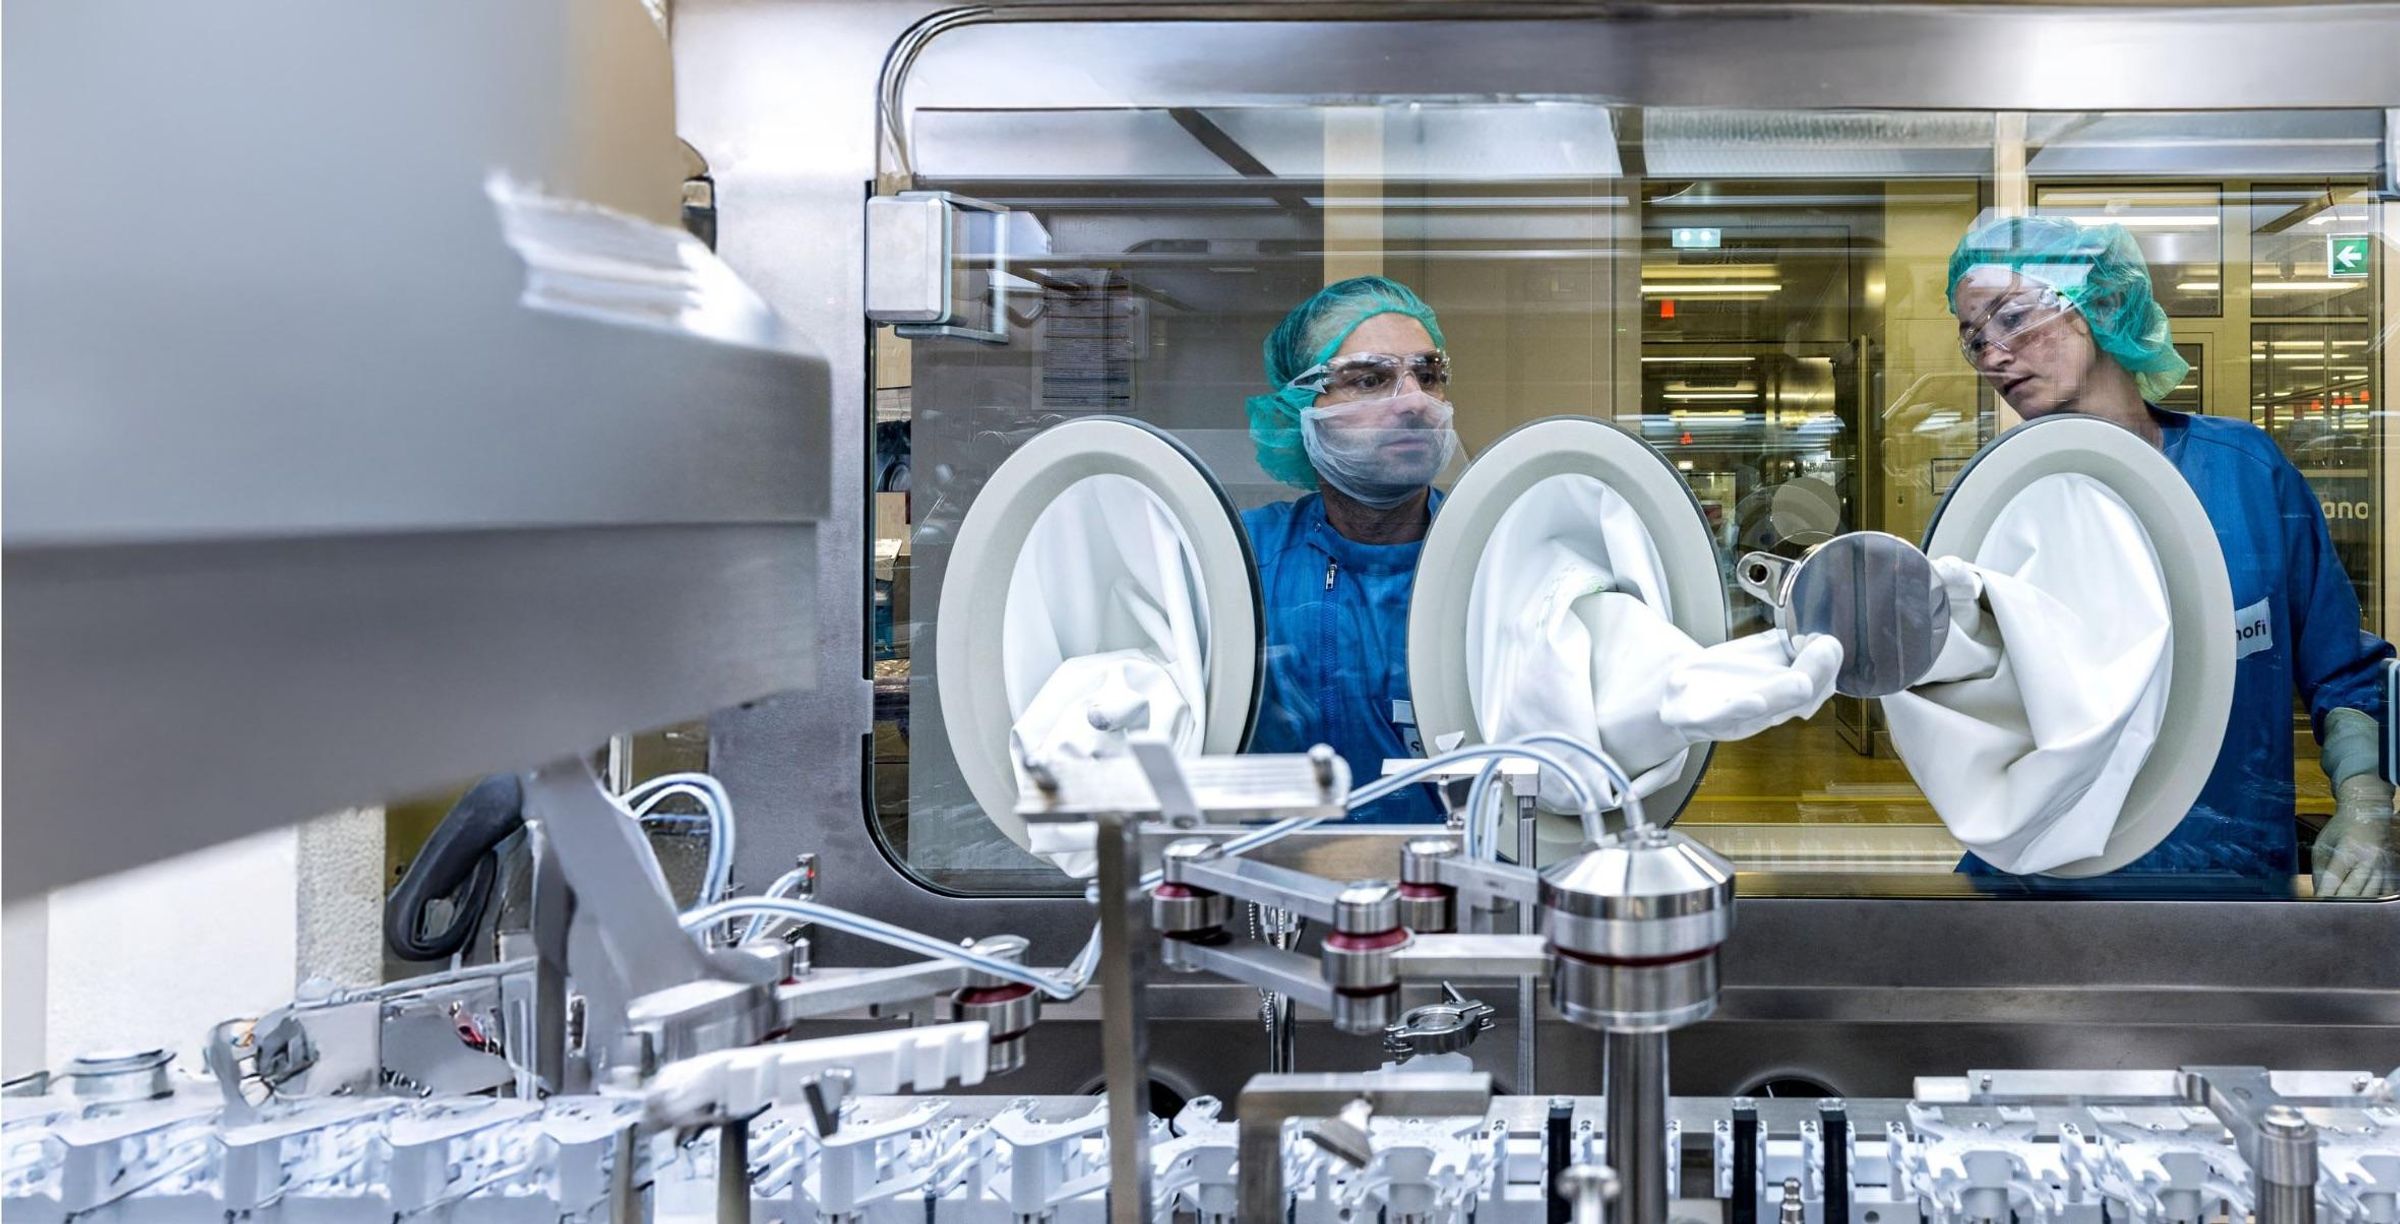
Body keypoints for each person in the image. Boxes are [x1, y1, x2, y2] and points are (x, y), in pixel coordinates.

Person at [1944, 214, 2395, 892]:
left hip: (2228, 877)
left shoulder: (2245, 473)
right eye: (1975, 338)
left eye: (2012, 318)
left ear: (2103, 302)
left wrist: (2364, 799)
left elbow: (2340, 668)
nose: (1993, 355)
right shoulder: (2001, 499)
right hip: (2040, 881)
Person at [1241, 277, 1460, 821]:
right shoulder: (1241, 561)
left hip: (1465, 868)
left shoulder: (1490, 554)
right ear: (1299, 407)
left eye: (1428, 375)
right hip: (1275, 869)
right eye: (1370, 379)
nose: (1415, 402)